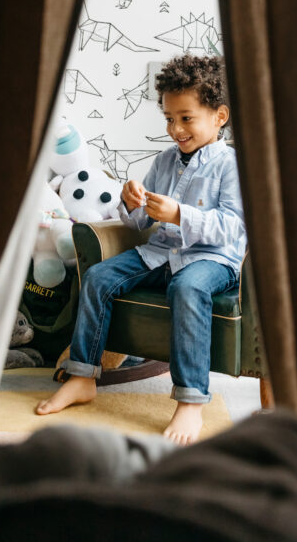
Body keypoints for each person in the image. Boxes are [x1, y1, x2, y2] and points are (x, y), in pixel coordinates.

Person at [36, 54, 247, 444]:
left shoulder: (231, 165)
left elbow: (234, 228)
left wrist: (180, 214)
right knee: (99, 277)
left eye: (186, 118)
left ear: (220, 116)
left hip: (211, 259)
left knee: (187, 288)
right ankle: (83, 377)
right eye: (169, 118)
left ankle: (190, 402)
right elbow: (140, 225)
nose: (175, 129)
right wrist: (132, 203)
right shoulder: (166, 160)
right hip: (161, 252)